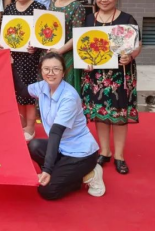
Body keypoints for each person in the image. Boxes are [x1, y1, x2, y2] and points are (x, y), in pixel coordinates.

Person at [13, 52, 105, 200]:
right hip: (62, 148)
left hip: (80, 154)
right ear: (41, 70)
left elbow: (56, 132)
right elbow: (23, 91)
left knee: (47, 191)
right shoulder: (42, 86)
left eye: (56, 69)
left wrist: (47, 170)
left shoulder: (68, 96)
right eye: (46, 69)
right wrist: (10, 65)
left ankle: (90, 174)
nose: (51, 73)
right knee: (34, 146)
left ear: (63, 72)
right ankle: (63, 174)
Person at [82, 0, 142, 175]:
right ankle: (105, 151)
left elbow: (137, 45)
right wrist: (85, 62)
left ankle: (119, 156)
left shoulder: (127, 20)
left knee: (119, 116)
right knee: (100, 114)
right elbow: (83, 46)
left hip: (119, 76)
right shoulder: (89, 19)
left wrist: (130, 56)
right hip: (96, 76)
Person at [2, 0, 46, 142]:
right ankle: (20, 125)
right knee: (17, 92)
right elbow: (3, 33)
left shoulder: (39, 8)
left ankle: (30, 127)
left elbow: (45, 34)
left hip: (31, 58)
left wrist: (37, 45)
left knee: (29, 93)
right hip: (13, 58)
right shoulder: (9, 9)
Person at [49, 0, 86, 94]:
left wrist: (60, 51)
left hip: (68, 55)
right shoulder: (52, 4)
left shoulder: (77, 7)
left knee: (65, 92)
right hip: (50, 53)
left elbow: (77, 35)